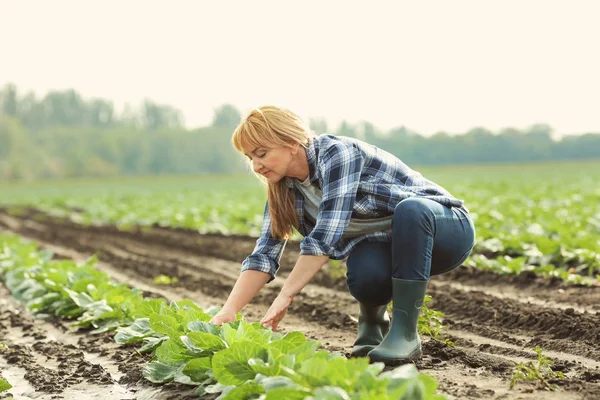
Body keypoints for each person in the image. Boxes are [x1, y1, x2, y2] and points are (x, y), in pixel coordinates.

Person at [209, 105, 476, 365]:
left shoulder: (338, 154)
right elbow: (264, 254)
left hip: (445, 233)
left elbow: (325, 237)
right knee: (365, 269)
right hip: (391, 245)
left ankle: (405, 334)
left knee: (411, 210)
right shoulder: (284, 189)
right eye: (250, 158)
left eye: (262, 154)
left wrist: (285, 295)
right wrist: (229, 310)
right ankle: (372, 325)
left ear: (291, 142)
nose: (256, 166)